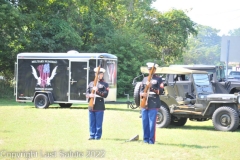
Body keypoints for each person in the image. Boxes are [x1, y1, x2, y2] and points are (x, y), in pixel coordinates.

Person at [140, 62, 163, 144]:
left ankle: (151, 140)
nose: (150, 71)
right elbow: (141, 90)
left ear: (155, 70)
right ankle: (145, 139)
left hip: (153, 102)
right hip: (144, 102)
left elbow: (161, 92)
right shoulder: (145, 79)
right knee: (145, 122)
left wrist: (151, 87)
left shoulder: (158, 79)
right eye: (149, 69)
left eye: (152, 69)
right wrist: (141, 94)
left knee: (152, 123)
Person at [86, 67, 109, 140]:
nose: (99, 75)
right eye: (97, 73)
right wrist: (89, 95)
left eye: (100, 74)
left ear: (102, 75)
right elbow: (86, 92)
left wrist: (97, 90)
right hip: (91, 104)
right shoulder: (91, 83)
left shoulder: (105, 84)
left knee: (98, 123)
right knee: (92, 122)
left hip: (99, 105)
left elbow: (105, 95)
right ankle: (92, 135)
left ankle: (97, 136)